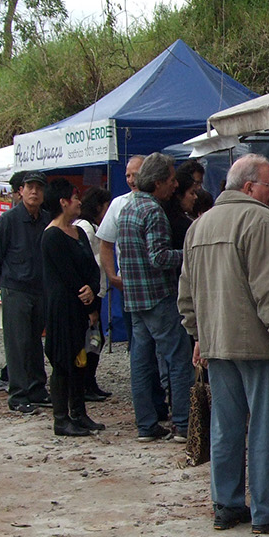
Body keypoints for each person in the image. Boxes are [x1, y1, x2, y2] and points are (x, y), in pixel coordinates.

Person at [179, 154, 269, 533]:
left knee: (226, 427)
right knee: (267, 428)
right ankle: (267, 510)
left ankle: (226, 504)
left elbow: (186, 291)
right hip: (260, 345)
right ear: (248, 186)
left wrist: (197, 335)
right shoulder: (259, 220)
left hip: (217, 343)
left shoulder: (200, 225)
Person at [115, 152, 193, 441]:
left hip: (134, 297)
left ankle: (146, 425)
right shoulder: (153, 210)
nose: (175, 185)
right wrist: (191, 254)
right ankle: (184, 424)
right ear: (159, 182)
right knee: (178, 359)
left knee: (141, 362)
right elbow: (159, 257)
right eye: (172, 180)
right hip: (158, 296)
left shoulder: (128, 207)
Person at [0, 172, 52, 414]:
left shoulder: (46, 220)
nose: (34, 192)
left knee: (35, 341)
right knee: (17, 343)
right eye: (29, 187)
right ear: (20, 191)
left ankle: (37, 388)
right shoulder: (8, 221)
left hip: (40, 289)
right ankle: (18, 394)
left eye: (38, 188)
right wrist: (3, 282)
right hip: (16, 289)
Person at [41, 178, 105, 437]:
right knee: (63, 362)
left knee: (82, 360)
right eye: (75, 197)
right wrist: (84, 292)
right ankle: (61, 418)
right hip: (63, 307)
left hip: (82, 305)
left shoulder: (78, 232)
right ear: (63, 202)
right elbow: (67, 275)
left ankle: (79, 412)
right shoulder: (52, 236)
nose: (79, 202)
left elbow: (90, 266)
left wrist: (91, 287)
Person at [75, 186, 113, 403]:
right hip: (90, 293)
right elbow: (89, 264)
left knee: (96, 340)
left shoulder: (93, 228)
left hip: (97, 290)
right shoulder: (86, 230)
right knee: (91, 339)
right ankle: (85, 383)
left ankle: (91, 382)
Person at [95, 154, 146, 292]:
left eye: (135, 175)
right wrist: (112, 277)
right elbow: (105, 243)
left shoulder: (160, 201)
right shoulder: (118, 203)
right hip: (127, 284)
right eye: (127, 176)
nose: (131, 180)